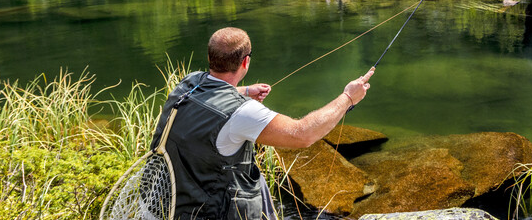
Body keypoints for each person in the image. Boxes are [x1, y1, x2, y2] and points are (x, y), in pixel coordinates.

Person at [149, 27, 374, 220]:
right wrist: (348, 98)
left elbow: (211, 97)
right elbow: (303, 134)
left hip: (166, 202)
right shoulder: (242, 113)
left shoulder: (190, 82)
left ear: (210, 58)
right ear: (245, 61)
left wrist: (246, 91)